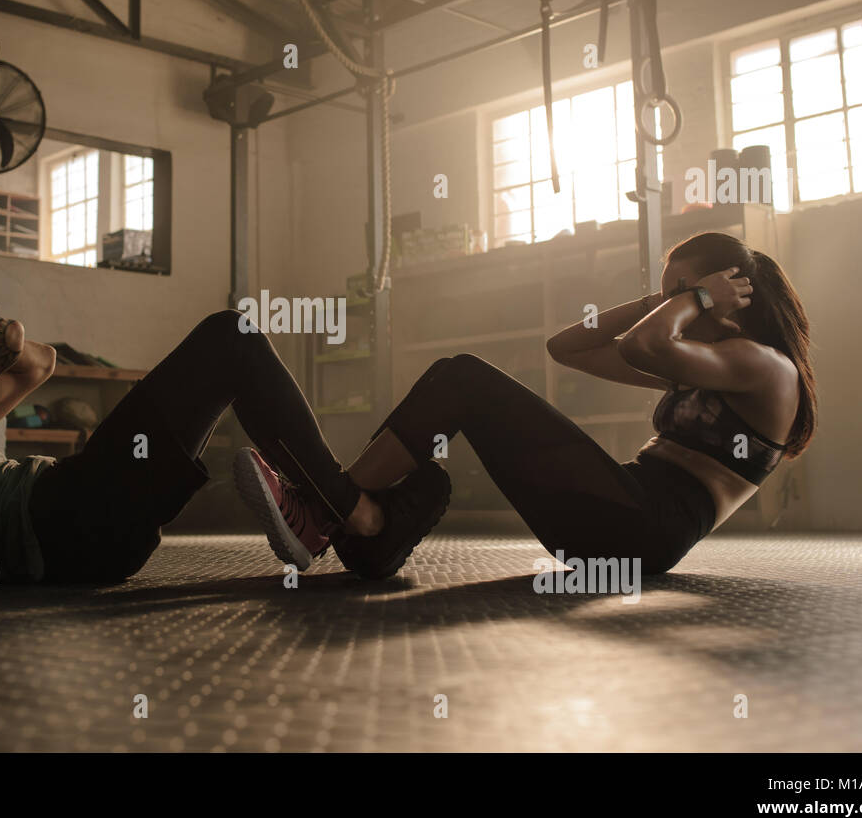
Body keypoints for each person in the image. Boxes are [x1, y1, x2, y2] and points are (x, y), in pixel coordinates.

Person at [0, 279, 448, 585]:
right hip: (66, 525)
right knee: (231, 337)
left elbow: (36, 362)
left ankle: (324, 515)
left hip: (81, 517)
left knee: (231, 347)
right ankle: (358, 519)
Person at [320, 232, 816, 577]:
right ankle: (362, 519)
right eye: (668, 298)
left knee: (466, 378)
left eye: (680, 295)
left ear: (725, 293)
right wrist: (660, 302)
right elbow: (566, 348)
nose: (672, 307)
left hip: (645, 529)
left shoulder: (763, 365)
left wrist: (695, 300)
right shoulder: (704, 363)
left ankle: (329, 507)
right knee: (452, 375)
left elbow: (643, 346)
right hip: (617, 514)